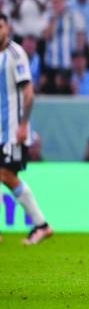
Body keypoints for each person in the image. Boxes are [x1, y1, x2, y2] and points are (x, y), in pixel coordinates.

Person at [0, 13, 52, 244]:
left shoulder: (15, 54)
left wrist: (23, 125)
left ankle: (41, 224)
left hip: (12, 130)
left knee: (7, 175)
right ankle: (41, 225)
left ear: (8, 28)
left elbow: (28, 92)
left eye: (0, 26)